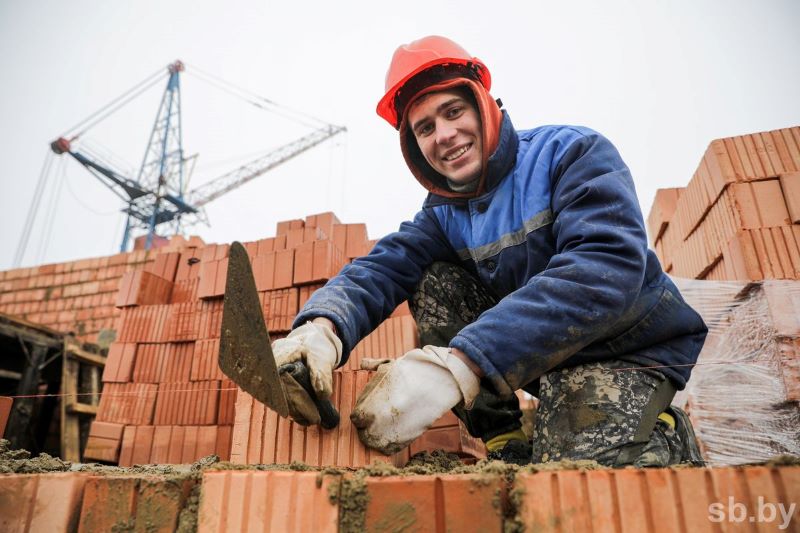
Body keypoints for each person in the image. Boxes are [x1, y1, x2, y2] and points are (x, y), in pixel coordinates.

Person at [272, 35, 708, 466]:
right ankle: (505, 439)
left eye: (453, 111)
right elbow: (383, 267)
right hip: (545, 360)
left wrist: (459, 363)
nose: (444, 135)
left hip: (625, 352)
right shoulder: (443, 214)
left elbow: (605, 268)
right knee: (431, 277)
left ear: (482, 104)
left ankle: (662, 436)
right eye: (425, 128)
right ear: (414, 147)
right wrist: (322, 328)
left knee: (570, 477)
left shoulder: (570, 153)